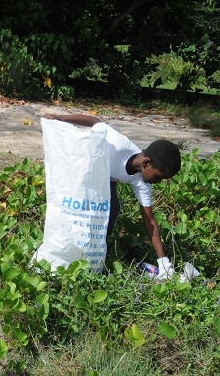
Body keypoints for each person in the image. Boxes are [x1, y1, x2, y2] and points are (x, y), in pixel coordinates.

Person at [43, 113, 181, 279]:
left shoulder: (143, 182)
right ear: (146, 164)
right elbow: (95, 122)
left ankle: (96, 251)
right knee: (78, 207)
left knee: (112, 208)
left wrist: (163, 260)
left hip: (106, 177)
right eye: (158, 177)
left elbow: (149, 220)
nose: (158, 182)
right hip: (84, 167)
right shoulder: (118, 145)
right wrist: (59, 118)